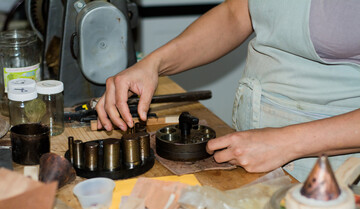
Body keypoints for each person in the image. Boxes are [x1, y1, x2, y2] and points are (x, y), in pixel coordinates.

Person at [96, 0, 360, 182]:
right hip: (251, 152)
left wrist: (286, 142)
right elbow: (237, 13)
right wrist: (154, 64)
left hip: (336, 171)